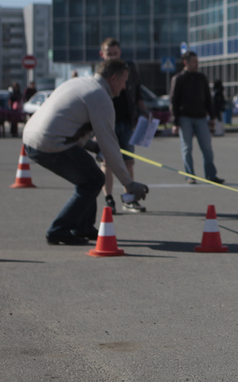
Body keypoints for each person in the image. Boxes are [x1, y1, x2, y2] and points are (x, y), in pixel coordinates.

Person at [22, 58, 150, 245]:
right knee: (94, 180)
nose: (124, 88)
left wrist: (93, 147)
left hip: (32, 138)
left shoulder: (79, 82)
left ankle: (83, 227)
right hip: (50, 144)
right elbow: (110, 146)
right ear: (113, 79)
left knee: (89, 176)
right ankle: (59, 230)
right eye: (124, 82)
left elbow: (69, 123)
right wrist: (129, 183)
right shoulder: (101, 97)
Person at [98, 38, 147, 214]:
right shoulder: (100, 72)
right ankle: (108, 199)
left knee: (128, 162)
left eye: (115, 53)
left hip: (126, 120)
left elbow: (137, 89)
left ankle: (129, 198)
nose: (112, 56)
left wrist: (143, 110)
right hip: (106, 123)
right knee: (107, 162)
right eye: (109, 54)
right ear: (102, 55)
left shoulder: (129, 67)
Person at [169, 51, 223, 184]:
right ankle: (190, 175)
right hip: (184, 118)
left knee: (207, 148)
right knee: (187, 148)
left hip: (200, 117)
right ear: (186, 62)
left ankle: (211, 175)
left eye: (197, 61)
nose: (197, 64)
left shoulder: (201, 78)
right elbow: (173, 101)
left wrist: (212, 117)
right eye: (194, 61)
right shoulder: (179, 78)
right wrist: (175, 121)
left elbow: (208, 99)